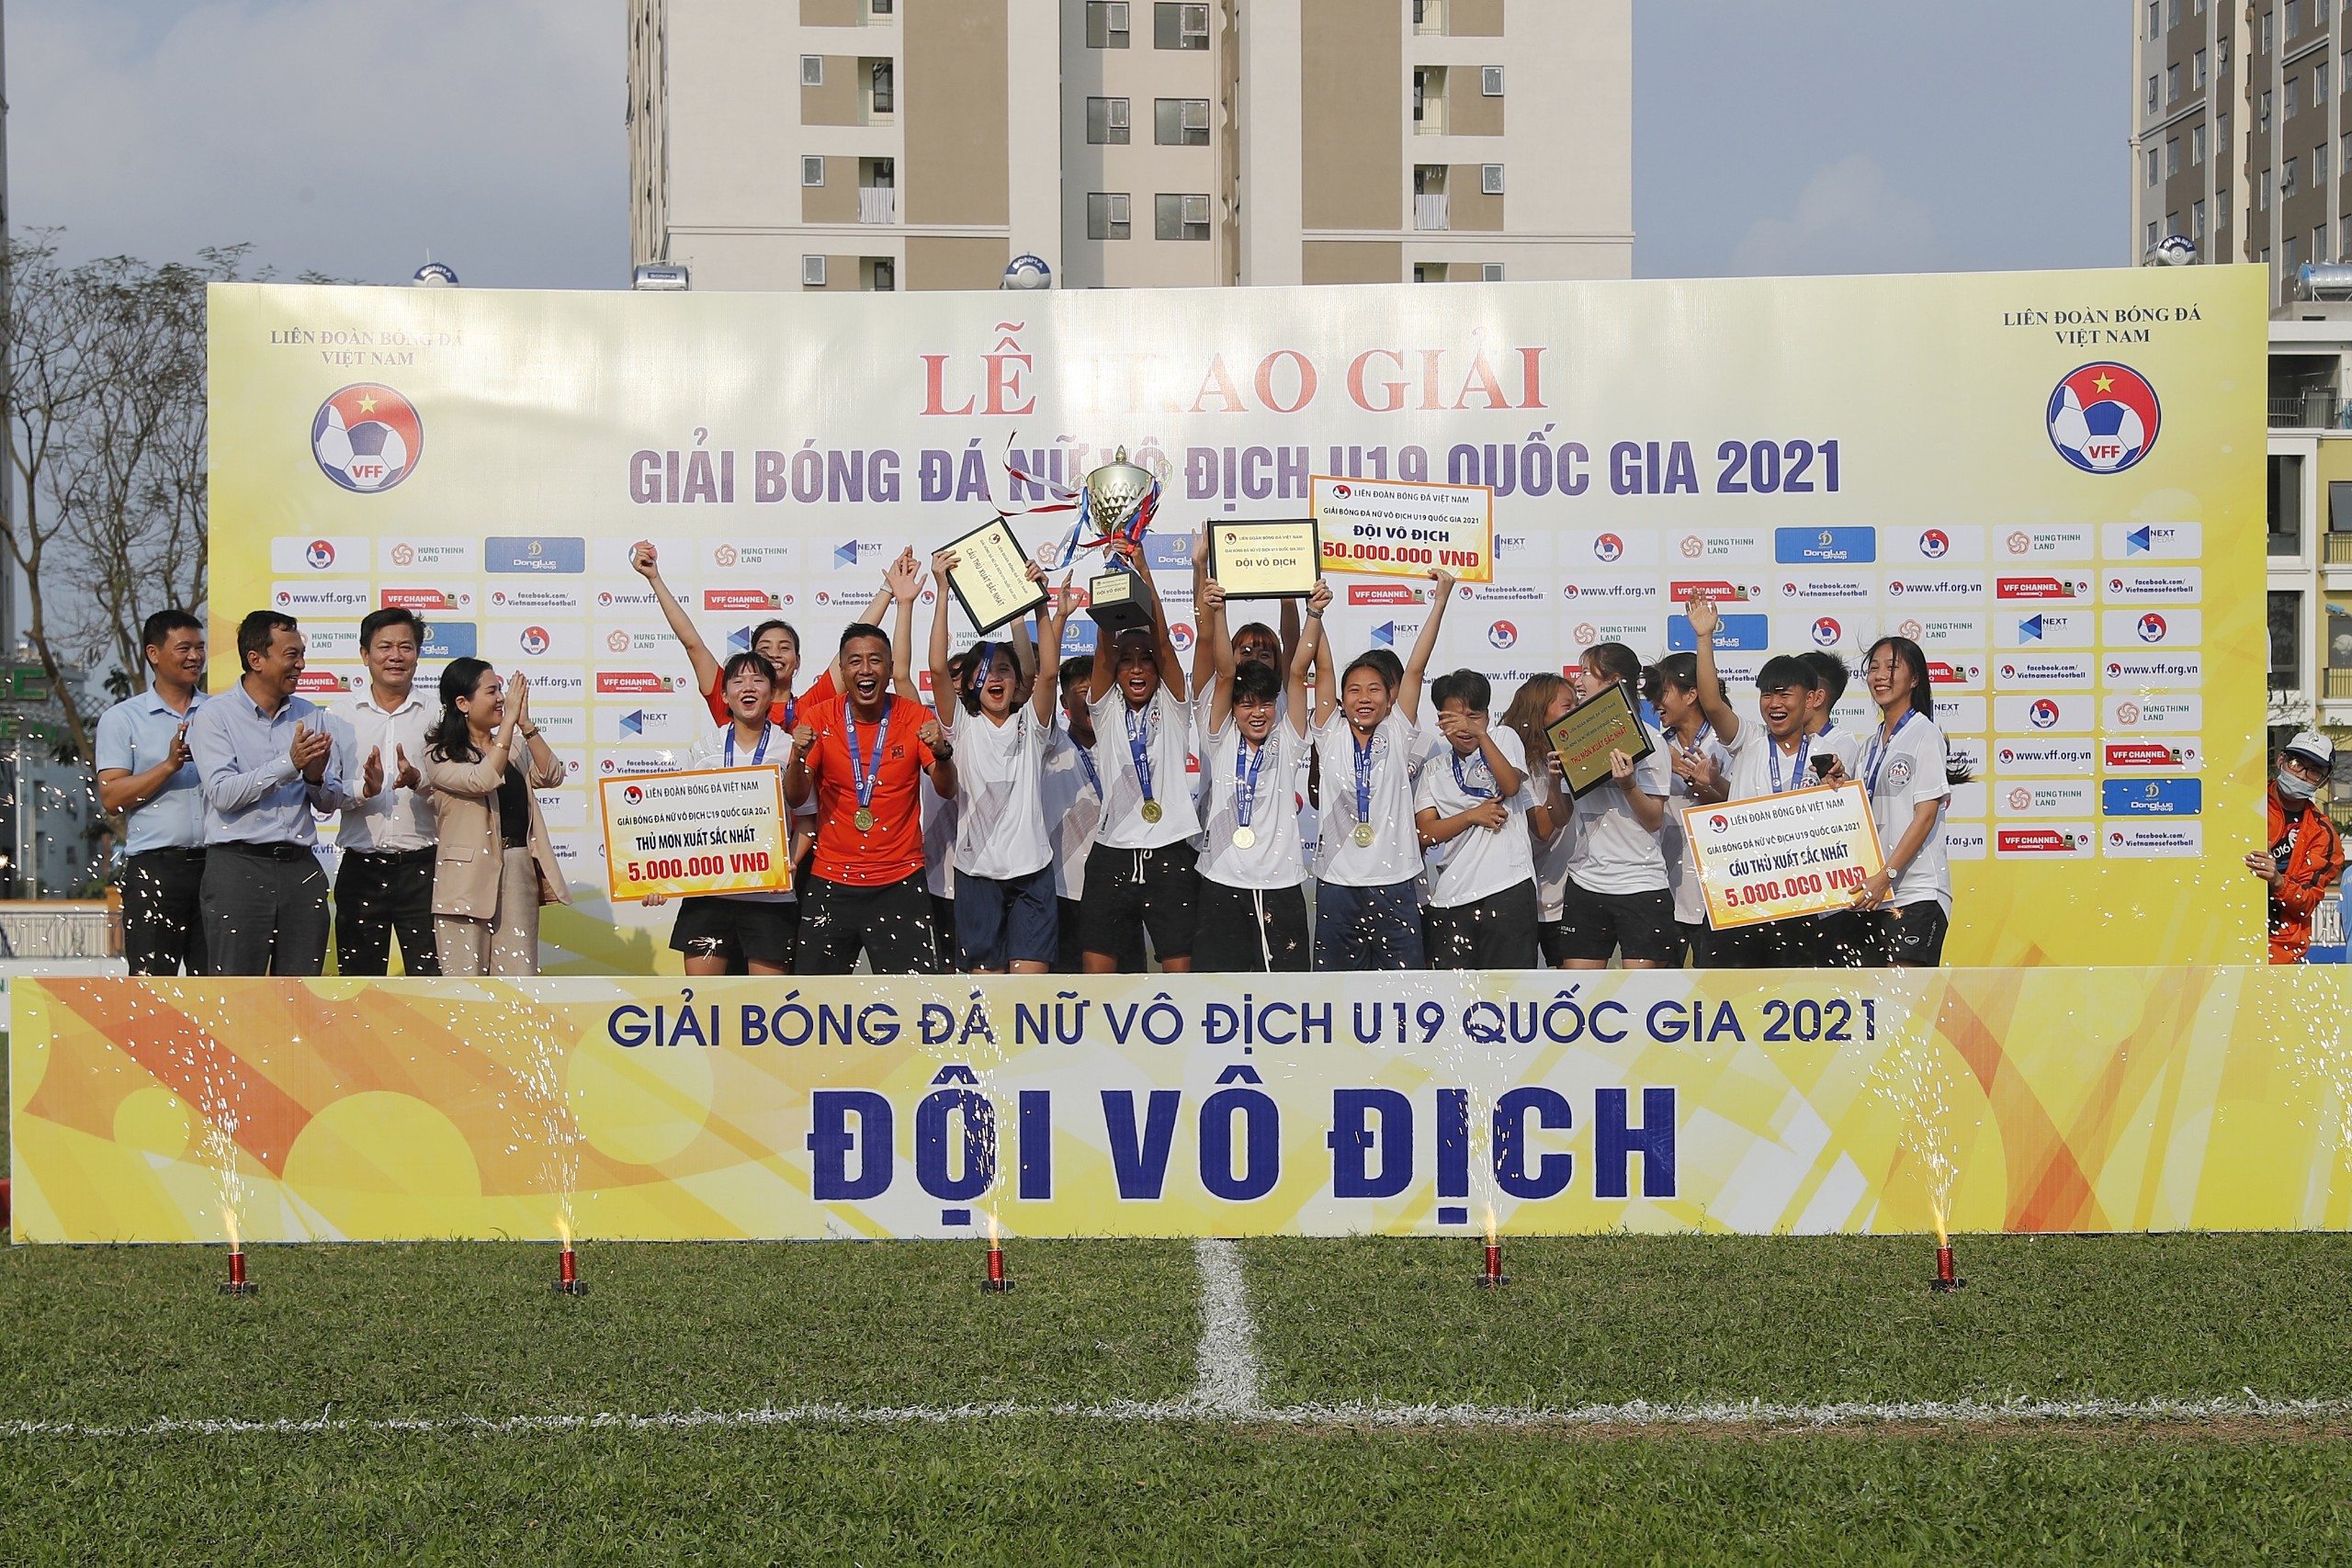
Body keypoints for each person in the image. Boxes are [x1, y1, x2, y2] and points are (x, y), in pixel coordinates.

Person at [185, 611, 357, 976]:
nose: (301, 665)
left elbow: (327, 802)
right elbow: (222, 794)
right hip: (238, 868)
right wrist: (289, 764)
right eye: (291, 655)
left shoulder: (310, 715)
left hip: (301, 869)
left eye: (302, 655)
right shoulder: (214, 715)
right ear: (256, 659)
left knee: (303, 992)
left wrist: (315, 778)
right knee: (236, 991)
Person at [1684, 591, 1847, 967]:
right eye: (1766, 695)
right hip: (1740, 895)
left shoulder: (1829, 750)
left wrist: (1839, 781)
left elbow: (1844, 819)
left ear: (1811, 699)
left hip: (1802, 898)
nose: (1774, 703)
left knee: (1795, 991)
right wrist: (1704, 638)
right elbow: (1711, 703)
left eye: (1784, 695)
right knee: (1728, 991)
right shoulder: (1751, 740)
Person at [787, 621, 957, 974]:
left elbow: (947, 789)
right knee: (813, 996)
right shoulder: (819, 717)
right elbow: (795, 797)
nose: (865, 669)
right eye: (855, 661)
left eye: (875, 660)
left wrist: (942, 753)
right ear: (843, 670)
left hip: (900, 880)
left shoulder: (914, 716)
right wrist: (798, 758)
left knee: (914, 997)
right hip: (832, 879)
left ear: (891, 669)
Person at [1308, 569, 1456, 970]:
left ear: (1390, 699)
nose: (1364, 697)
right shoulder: (1329, 733)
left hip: (1395, 883)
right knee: (1338, 990)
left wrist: (1440, 601)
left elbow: (1415, 670)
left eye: (1374, 689)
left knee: (1402, 990)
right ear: (1341, 700)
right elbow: (1324, 670)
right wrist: (1316, 613)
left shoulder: (1397, 731)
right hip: (1338, 884)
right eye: (1354, 690)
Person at [628, 540, 922, 726]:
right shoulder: (732, 703)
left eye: (784, 648)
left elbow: (857, 639)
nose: (775, 654)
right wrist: (655, 579)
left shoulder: (811, 706)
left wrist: (888, 590)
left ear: (797, 660)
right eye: (765, 648)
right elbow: (692, 643)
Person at [930, 549, 1057, 974]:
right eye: (984, 672)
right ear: (969, 683)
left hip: (1032, 873)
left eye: (1004, 669)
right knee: (986, 993)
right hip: (976, 874)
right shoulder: (963, 727)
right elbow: (936, 668)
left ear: (1017, 680)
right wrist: (943, 590)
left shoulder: (1031, 724)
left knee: (1028, 991)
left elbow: (1048, 673)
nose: (995, 678)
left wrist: (1040, 605)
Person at [1191, 575, 1326, 972]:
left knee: (1286, 993)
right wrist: (1218, 611)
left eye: (1265, 704)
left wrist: (1314, 613)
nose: (1258, 713)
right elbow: (1224, 674)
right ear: (1233, 708)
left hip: (1279, 883)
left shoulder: (1288, 738)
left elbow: (1298, 672)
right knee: (1216, 992)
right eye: (1247, 705)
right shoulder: (1219, 738)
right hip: (1220, 880)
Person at [645, 652, 808, 976]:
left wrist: (790, 863)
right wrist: (659, 878)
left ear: (772, 692)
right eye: (738, 681)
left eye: (758, 680)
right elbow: (677, 820)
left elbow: (806, 818)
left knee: (768, 1002)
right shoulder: (704, 750)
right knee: (701, 999)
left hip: (769, 900)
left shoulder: (789, 748)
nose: (748, 687)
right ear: (724, 695)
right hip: (708, 896)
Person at [1080, 541, 1201, 972]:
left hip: (1170, 849)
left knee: (1180, 976)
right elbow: (1103, 648)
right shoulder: (1106, 707)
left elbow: (1163, 643)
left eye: (1144, 661)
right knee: (1098, 978)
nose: (1135, 668)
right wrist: (1113, 573)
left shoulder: (1172, 703)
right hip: (1112, 850)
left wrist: (1144, 570)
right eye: (1126, 661)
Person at [421, 661, 569, 976]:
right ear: (463, 703)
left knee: (518, 978)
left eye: (501, 690)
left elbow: (552, 775)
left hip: (517, 869)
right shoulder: (440, 753)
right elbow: (482, 780)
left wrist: (525, 725)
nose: (502, 698)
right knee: (464, 981)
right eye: (492, 691)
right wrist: (508, 725)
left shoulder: (515, 747)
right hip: (464, 880)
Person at [1824, 636, 1961, 968]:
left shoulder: (1925, 734)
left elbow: (1925, 816)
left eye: (1892, 667)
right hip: (1874, 895)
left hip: (1916, 893)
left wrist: (1887, 874)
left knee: (1903, 997)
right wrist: (1841, 783)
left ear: (1914, 679)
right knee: (1868, 997)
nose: (1880, 675)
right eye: (1874, 668)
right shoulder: (1870, 745)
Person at [95, 609, 211, 975]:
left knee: (218, 990)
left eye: (200, 647)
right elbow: (112, 798)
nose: (195, 657)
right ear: (153, 653)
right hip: (155, 868)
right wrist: (168, 766)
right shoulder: (122, 719)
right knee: (152, 988)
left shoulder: (220, 713)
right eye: (184, 648)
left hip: (219, 867)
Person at [329, 606, 441, 976]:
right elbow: (324, 793)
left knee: (433, 985)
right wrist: (364, 789)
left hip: (426, 868)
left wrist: (419, 782)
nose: (396, 656)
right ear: (365, 655)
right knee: (359, 987)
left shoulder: (439, 715)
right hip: (360, 869)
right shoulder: (338, 716)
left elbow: (456, 794)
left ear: (418, 654)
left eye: (405, 647)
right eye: (385, 647)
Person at [1555, 641, 1675, 970]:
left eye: (1586, 673)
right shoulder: (1573, 739)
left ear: (1613, 681)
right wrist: (1553, 780)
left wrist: (1628, 785)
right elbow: (1561, 816)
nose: (1577, 681)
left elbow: (1653, 820)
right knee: (1578, 992)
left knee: (1642, 993)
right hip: (1586, 882)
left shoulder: (1651, 741)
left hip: (1640, 884)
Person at [1416, 669, 1539, 968]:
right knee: (1454, 993)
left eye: (1474, 716)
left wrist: (1482, 734)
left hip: (1508, 887)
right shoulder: (1434, 768)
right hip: (1451, 896)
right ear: (1440, 719)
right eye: (1455, 718)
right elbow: (1426, 833)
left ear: (1487, 716)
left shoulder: (1502, 737)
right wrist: (1472, 816)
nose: (1465, 726)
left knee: (1509, 989)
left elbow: (1510, 785)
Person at [1039, 648, 1139, 973]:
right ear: (1064, 702)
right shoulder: (1050, 745)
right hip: (1065, 891)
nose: (1091, 700)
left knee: (1127, 989)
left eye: (1098, 691)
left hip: (1122, 889)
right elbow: (1044, 682)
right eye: (1083, 692)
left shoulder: (1128, 746)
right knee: (1069, 993)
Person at [1640, 652, 1733, 966]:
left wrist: (1691, 776)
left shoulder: (1726, 743)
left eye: (1662, 692)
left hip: (1717, 885)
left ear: (1692, 694)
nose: (1654, 702)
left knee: (1713, 979)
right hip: (1662, 882)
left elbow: (1741, 810)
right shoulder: (1655, 745)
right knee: (1662, 981)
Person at [1499, 674, 1578, 967]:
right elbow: (1543, 829)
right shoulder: (1517, 765)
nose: (1576, 712)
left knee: (1577, 987)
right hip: (1525, 900)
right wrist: (1560, 781)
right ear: (1538, 712)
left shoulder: (1572, 757)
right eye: (1567, 706)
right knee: (1521, 987)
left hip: (1571, 898)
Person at [2247, 729, 2346, 964]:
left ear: (2323, 781)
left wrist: (2277, 881)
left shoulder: (2323, 834)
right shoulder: (2245, 802)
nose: (2302, 775)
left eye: (2314, 771)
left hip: (2279, 953)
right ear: (2281, 760)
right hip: (2218, 936)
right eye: (2296, 763)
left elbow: (2307, 901)